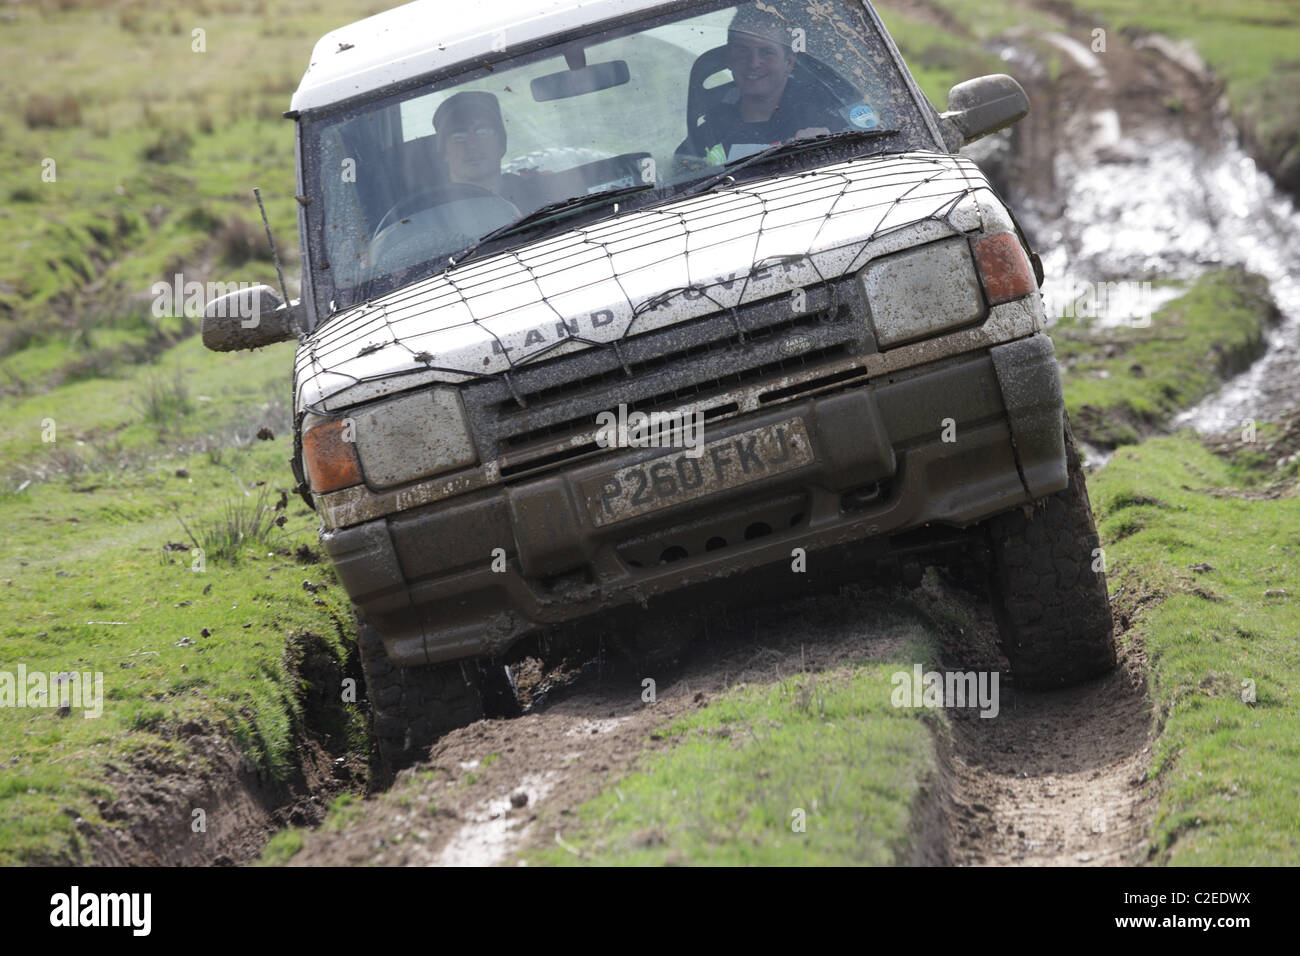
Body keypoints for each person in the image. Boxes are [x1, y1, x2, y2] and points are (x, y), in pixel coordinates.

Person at [679, 6, 846, 166]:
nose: (754, 63)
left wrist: (825, 147)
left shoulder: (827, 121)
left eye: (767, 52)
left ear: (789, 61)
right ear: (728, 57)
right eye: (743, 50)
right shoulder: (706, 138)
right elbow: (682, 177)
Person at [432, 91, 540, 211]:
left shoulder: (544, 198)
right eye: (458, 137)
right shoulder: (434, 214)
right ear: (444, 153)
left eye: (483, 133)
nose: (472, 144)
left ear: (501, 144)